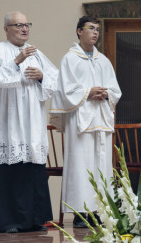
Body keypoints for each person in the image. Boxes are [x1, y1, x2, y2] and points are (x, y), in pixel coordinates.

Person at [0, 12, 58, 233]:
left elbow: (55, 79)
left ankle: (35, 220)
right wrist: (17, 61)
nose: (24, 29)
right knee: (10, 167)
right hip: (8, 121)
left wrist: (41, 76)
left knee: (32, 167)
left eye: (27, 25)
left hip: (32, 120)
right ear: (6, 29)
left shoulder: (36, 52)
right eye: (18, 25)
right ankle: (8, 222)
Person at [50, 16, 121, 228]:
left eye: (97, 29)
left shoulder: (103, 61)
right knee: (81, 165)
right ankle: (80, 212)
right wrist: (88, 92)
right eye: (91, 28)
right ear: (79, 31)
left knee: (101, 165)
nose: (95, 32)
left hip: (101, 117)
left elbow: (115, 90)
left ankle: (99, 211)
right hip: (80, 120)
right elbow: (65, 91)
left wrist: (106, 94)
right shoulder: (70, 59)